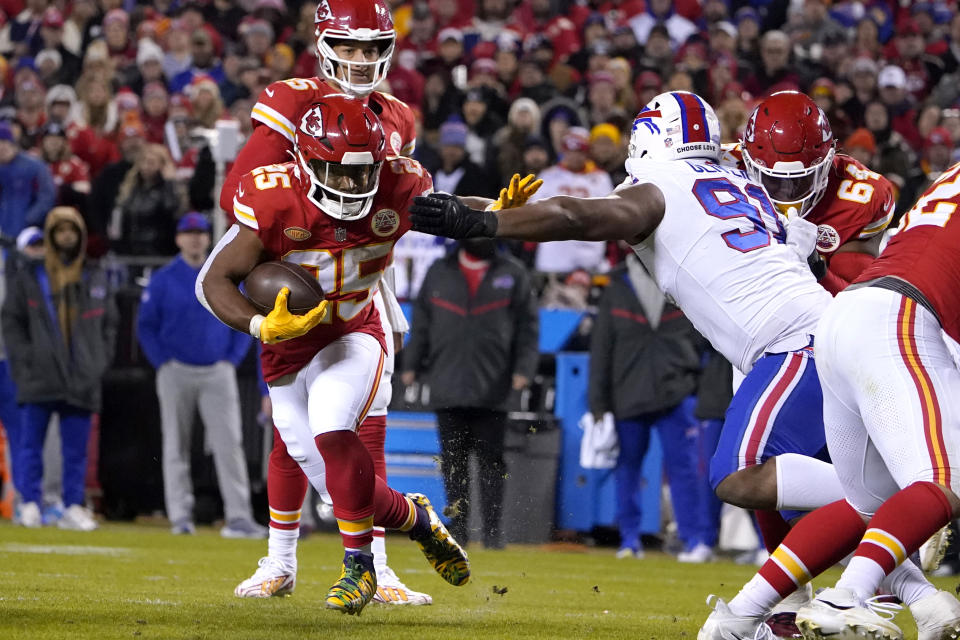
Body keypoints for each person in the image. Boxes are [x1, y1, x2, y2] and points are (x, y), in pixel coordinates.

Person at [406, 90, 958, 636]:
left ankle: (894, 508)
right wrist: (478, 213)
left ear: (647, 140)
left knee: (740, 477)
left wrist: (486, 223)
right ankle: (913, 598)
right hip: (813, 335)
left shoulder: (661, 186)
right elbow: (571, 212)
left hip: (794, 344)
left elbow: (580, 215)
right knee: (788, 504)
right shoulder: (739, 182)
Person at [198, 95, 470, 616]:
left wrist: (497, 213)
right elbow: (214, 279)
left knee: (332, 426)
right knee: (321, 471)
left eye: (359, 171)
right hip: (287, 348)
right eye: (334, 171)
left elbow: (455, 214)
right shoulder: (274, 196)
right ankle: (416, 519)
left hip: (354, 331)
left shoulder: (399, 184)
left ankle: (359, 567)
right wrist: (258, 323)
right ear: (304, 160)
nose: (349, 184)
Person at [216, 0, 431, 606]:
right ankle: (282, 559)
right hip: (294, 271)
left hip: (360, 279)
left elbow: (398, 196)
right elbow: (242, 192)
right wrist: (297, 242)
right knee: (293, 432)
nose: (362, 60)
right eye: (351, 47)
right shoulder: (291, 99)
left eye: (372, 48)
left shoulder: (397, 116)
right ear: (325, 44)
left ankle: (376, 566)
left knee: (365, 423)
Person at [706, 162, 960, 640]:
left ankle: (736, 618)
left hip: (844, 316)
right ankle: (843, 599)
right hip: (901, 318)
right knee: (948, 479)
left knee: (866, 503)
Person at [713, 91, 897, 576]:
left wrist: (817, 267)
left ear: (828, 162)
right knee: (765, 482)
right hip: (754, 330)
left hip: (831, 339)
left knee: (786, 466)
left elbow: (863, 296)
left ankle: (890, 551)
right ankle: (793, 599)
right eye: (773, 180)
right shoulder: (721, 168)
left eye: (800, 183)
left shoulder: (861, 194)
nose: (788, 197)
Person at [400, 236, 539, 549]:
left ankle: (492, 532)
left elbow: (528, 328)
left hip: (495, 385)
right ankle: (459, 530)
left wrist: (523, 371)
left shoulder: (513, 273)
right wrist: (411, 363)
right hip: (447, 382)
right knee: (453, 463)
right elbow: (421, 322)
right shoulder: (439, 270)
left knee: (492, 462)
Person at [136, 212, 265, 539]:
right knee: (175, 444)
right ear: (179, 238)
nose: (195, 238)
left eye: (200, 233)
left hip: (216, 371)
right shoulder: (164, 278)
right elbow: (145, 326)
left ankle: (239, 518)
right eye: (189, 232)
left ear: (209, 238)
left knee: (230, 444)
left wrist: (230, 360)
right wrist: (162, 362)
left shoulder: (221, 274)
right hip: (175, 369)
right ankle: (180, 516)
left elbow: (242, 318)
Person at [1, 207, 117, 531]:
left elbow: (110, 324)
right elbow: (12, 321)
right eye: (60, 230)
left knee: (76, 451)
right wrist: (25, 362)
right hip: (39, 373)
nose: (66, 236)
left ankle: (71, 505)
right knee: (30, 446)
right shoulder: (30, 276)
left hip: (81, 374)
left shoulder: (94, 274)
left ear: (80, 235)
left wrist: (97, 362)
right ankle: (30, 504)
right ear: (52, 236)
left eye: (72, 230)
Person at [588, 252, 706, 561]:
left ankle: (693, 541)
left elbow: (701, 338)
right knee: (628, 469)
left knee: (683, 470)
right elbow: (601, 349)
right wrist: (598, 404)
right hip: (629, 393)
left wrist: (693, 380)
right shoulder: (616, 288)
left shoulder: (681, 282)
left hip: (674, 392)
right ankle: (629, 540)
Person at [0, 120, 55, 238]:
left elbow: (46, 196)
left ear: (12, 143)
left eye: (4, 141)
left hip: (28, 233)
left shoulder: (34, 166)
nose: (1, 146)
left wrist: (29, 219)